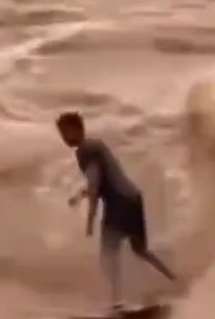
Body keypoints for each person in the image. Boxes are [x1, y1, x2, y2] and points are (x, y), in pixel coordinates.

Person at [55, 111, 177, 313]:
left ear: (76, 130)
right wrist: (79, 196)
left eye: (65, 132)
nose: (63, 138)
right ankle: (174, 280)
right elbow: (102, 180)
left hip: (119, 203)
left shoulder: (85, 151)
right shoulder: (96, 145)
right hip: (133, 198)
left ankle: (117, 303)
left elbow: (95, 185)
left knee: (108, 255)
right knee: (140, 250)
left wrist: (90, 219)